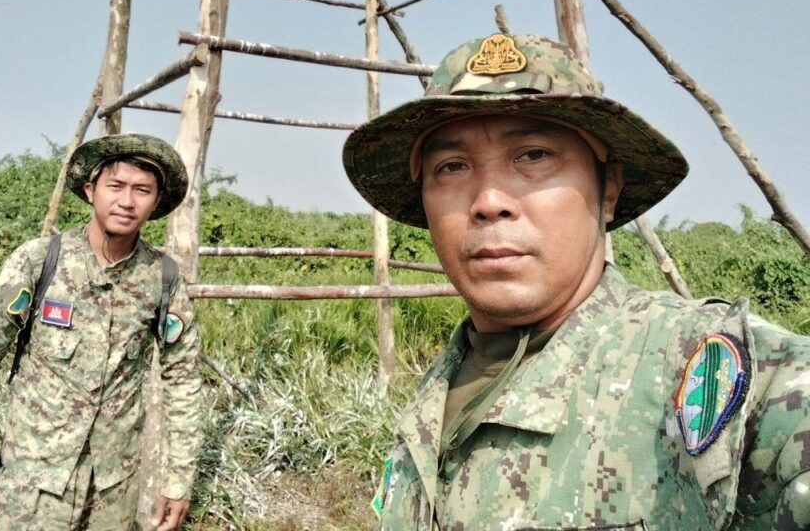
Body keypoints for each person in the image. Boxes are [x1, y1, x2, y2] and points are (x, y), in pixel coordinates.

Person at [342, 29, 810, 530]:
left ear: (607, 190)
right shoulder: (439, 390)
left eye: (534, 155)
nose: (489, 201)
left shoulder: (715, 375)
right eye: (452, 166)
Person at [0, 134, 202, 531]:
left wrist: (177, 480)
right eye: (115, 186)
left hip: (112, 494)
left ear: (156, 202)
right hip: (32, 486)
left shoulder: (163, 278)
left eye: (142, 190)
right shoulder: (39, 261)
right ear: (90, 191)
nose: (127, 201)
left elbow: (183, 380)